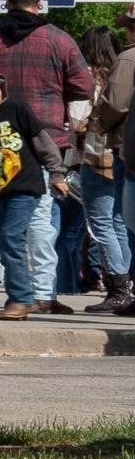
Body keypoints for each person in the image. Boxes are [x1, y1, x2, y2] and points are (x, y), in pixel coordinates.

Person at [0, 0, 95, 318]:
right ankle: (43, 293)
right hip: (46, 140)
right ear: (38, 4)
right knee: (40, 219)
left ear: (7, 3)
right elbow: (84, 87)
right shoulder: (59, 39)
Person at [83, 25, 132, 313]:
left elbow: (78, 118)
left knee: (101, 223)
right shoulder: (120, 71)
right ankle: (127, 282)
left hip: (95, 155)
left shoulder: (87, 77)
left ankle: (118, 285)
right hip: (121, 153)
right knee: (119, 223)